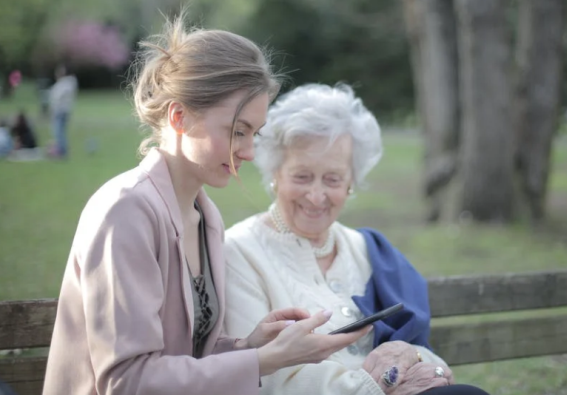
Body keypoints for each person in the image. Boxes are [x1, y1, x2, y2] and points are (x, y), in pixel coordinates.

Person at [42, 19, 370, 395]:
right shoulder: (125, 211)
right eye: (236, 131)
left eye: (254, 134)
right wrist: (263, 361)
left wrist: (250, 345)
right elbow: (127, 381)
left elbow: (187, 354)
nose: (248, 152)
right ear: (179, 117)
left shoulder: (205, 216)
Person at [223, 84, 490, 395]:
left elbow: (426, 356)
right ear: (275, 174)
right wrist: (375, 386)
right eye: (302, 176)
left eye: (333, 179)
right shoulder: (239, 251)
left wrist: (412, 357)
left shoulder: (367, 249)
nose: (316, 195)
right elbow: (265, 377)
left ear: (351, 183)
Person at [47, 64, 78, 157]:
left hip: (60, 111)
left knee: (58, 132)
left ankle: (62, 151)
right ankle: (61, 150)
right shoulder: (67, 83)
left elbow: (57, 97)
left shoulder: (65, 84)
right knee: (60, 132)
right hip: (63, 110)